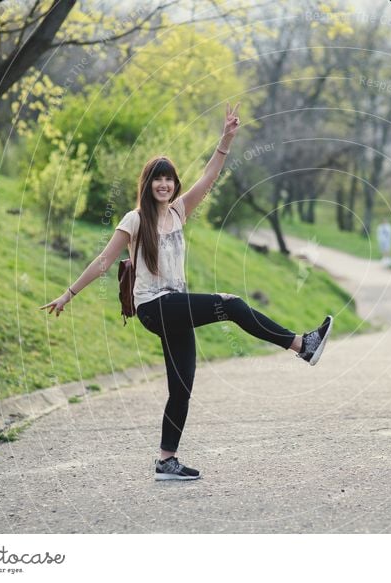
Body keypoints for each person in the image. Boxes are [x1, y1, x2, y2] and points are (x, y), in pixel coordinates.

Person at [39, 102, 333, 481]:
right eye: (157, 180)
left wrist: (226, 139)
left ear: (174, 184)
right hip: (154, 307)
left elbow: (209, 177)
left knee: (182, 388)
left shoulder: (178, 211)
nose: (165, 185)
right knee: (232, 304)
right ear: (147, 185)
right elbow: (102, 262)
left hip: (174, 306)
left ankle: (166, 461)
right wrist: (67, 294)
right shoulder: (135, 219)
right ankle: (301, 345)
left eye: (170, 179)